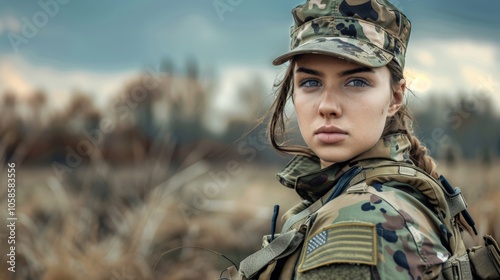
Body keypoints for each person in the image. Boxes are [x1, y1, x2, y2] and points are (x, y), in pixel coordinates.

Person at [225, 0, 499, 279]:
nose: (327, 106)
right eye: (311, 82)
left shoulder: (359, 224)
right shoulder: (381, 189)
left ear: (395, 97)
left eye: (356, 82)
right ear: (293, 92)